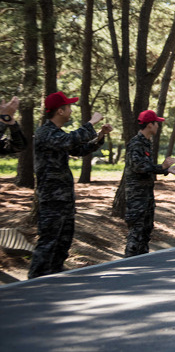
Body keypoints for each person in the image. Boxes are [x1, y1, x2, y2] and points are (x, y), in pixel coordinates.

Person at [28, 91, 112, 279]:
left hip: (64, 198)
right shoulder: (45, 133)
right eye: (68, 106)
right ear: (60, 111)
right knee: (48, 241)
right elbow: (68, 141)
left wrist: (99, 136)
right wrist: (91, 123)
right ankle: (34, 280)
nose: (71, 109)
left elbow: (78, 149)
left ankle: (55, 276)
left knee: (63, 241)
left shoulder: (57, 133)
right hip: (51, 198)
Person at [124, 110, 175, 257]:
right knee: (136, 234)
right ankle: (127, 267)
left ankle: (142, 267)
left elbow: (148, 168)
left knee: (145, 232)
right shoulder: (136, 144)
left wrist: (167, 169)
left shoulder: (146, 143)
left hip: (146, 196)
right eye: (157, 123)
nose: (158, 126)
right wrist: (162, 167)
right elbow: (138, 167)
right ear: (150, 125)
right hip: (137, 197)